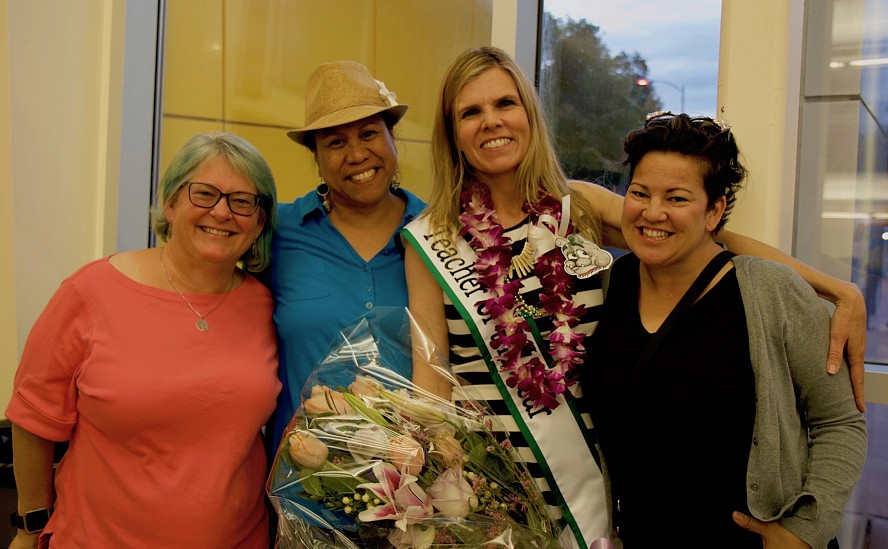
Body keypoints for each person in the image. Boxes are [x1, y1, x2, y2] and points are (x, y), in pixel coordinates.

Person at [402, 46, 868, 549]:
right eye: (470, 112)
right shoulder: (434, 238)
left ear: (529, 115)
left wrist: (832, 287)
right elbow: (432, 377)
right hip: (499, 489)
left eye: (505, 104)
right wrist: (437, 482)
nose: (491, 122)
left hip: (596, 488)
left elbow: (704, 238)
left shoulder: (575, 206)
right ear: (452, 132)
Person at [583, 112, 867, 548]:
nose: (652, 212)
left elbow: (840, 422)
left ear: (714, 210)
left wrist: (804, 532)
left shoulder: (771, 292)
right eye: (639, 193)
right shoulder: (608, 286)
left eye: (677, 198)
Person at [6, 132, 281, 549]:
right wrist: (30, 526)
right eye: (204, 194)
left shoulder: (264, 306)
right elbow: (33, 420)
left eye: (243, 201)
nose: (222, 212)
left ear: (260, 221)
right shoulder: (90, 292)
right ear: (170, 204)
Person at [266, 60, 425, 454]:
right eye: (335, 142)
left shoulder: (436, 234)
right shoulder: (278, 232)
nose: (356, 154)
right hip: (301, 487)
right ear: (315, 157)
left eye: (369, 133)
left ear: (392, 137)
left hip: (417, 487)